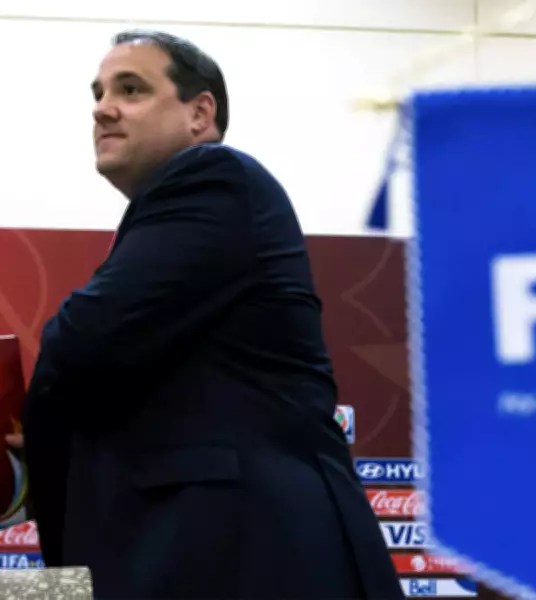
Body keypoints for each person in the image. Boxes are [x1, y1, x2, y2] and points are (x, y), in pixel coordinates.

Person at [15, 30, 404, 599]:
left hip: (247, 558)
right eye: (98, 93)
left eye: (131, 89)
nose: (102, 108)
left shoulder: (214, 179)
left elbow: (80, 340)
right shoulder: (172, 220)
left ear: (200, 113)